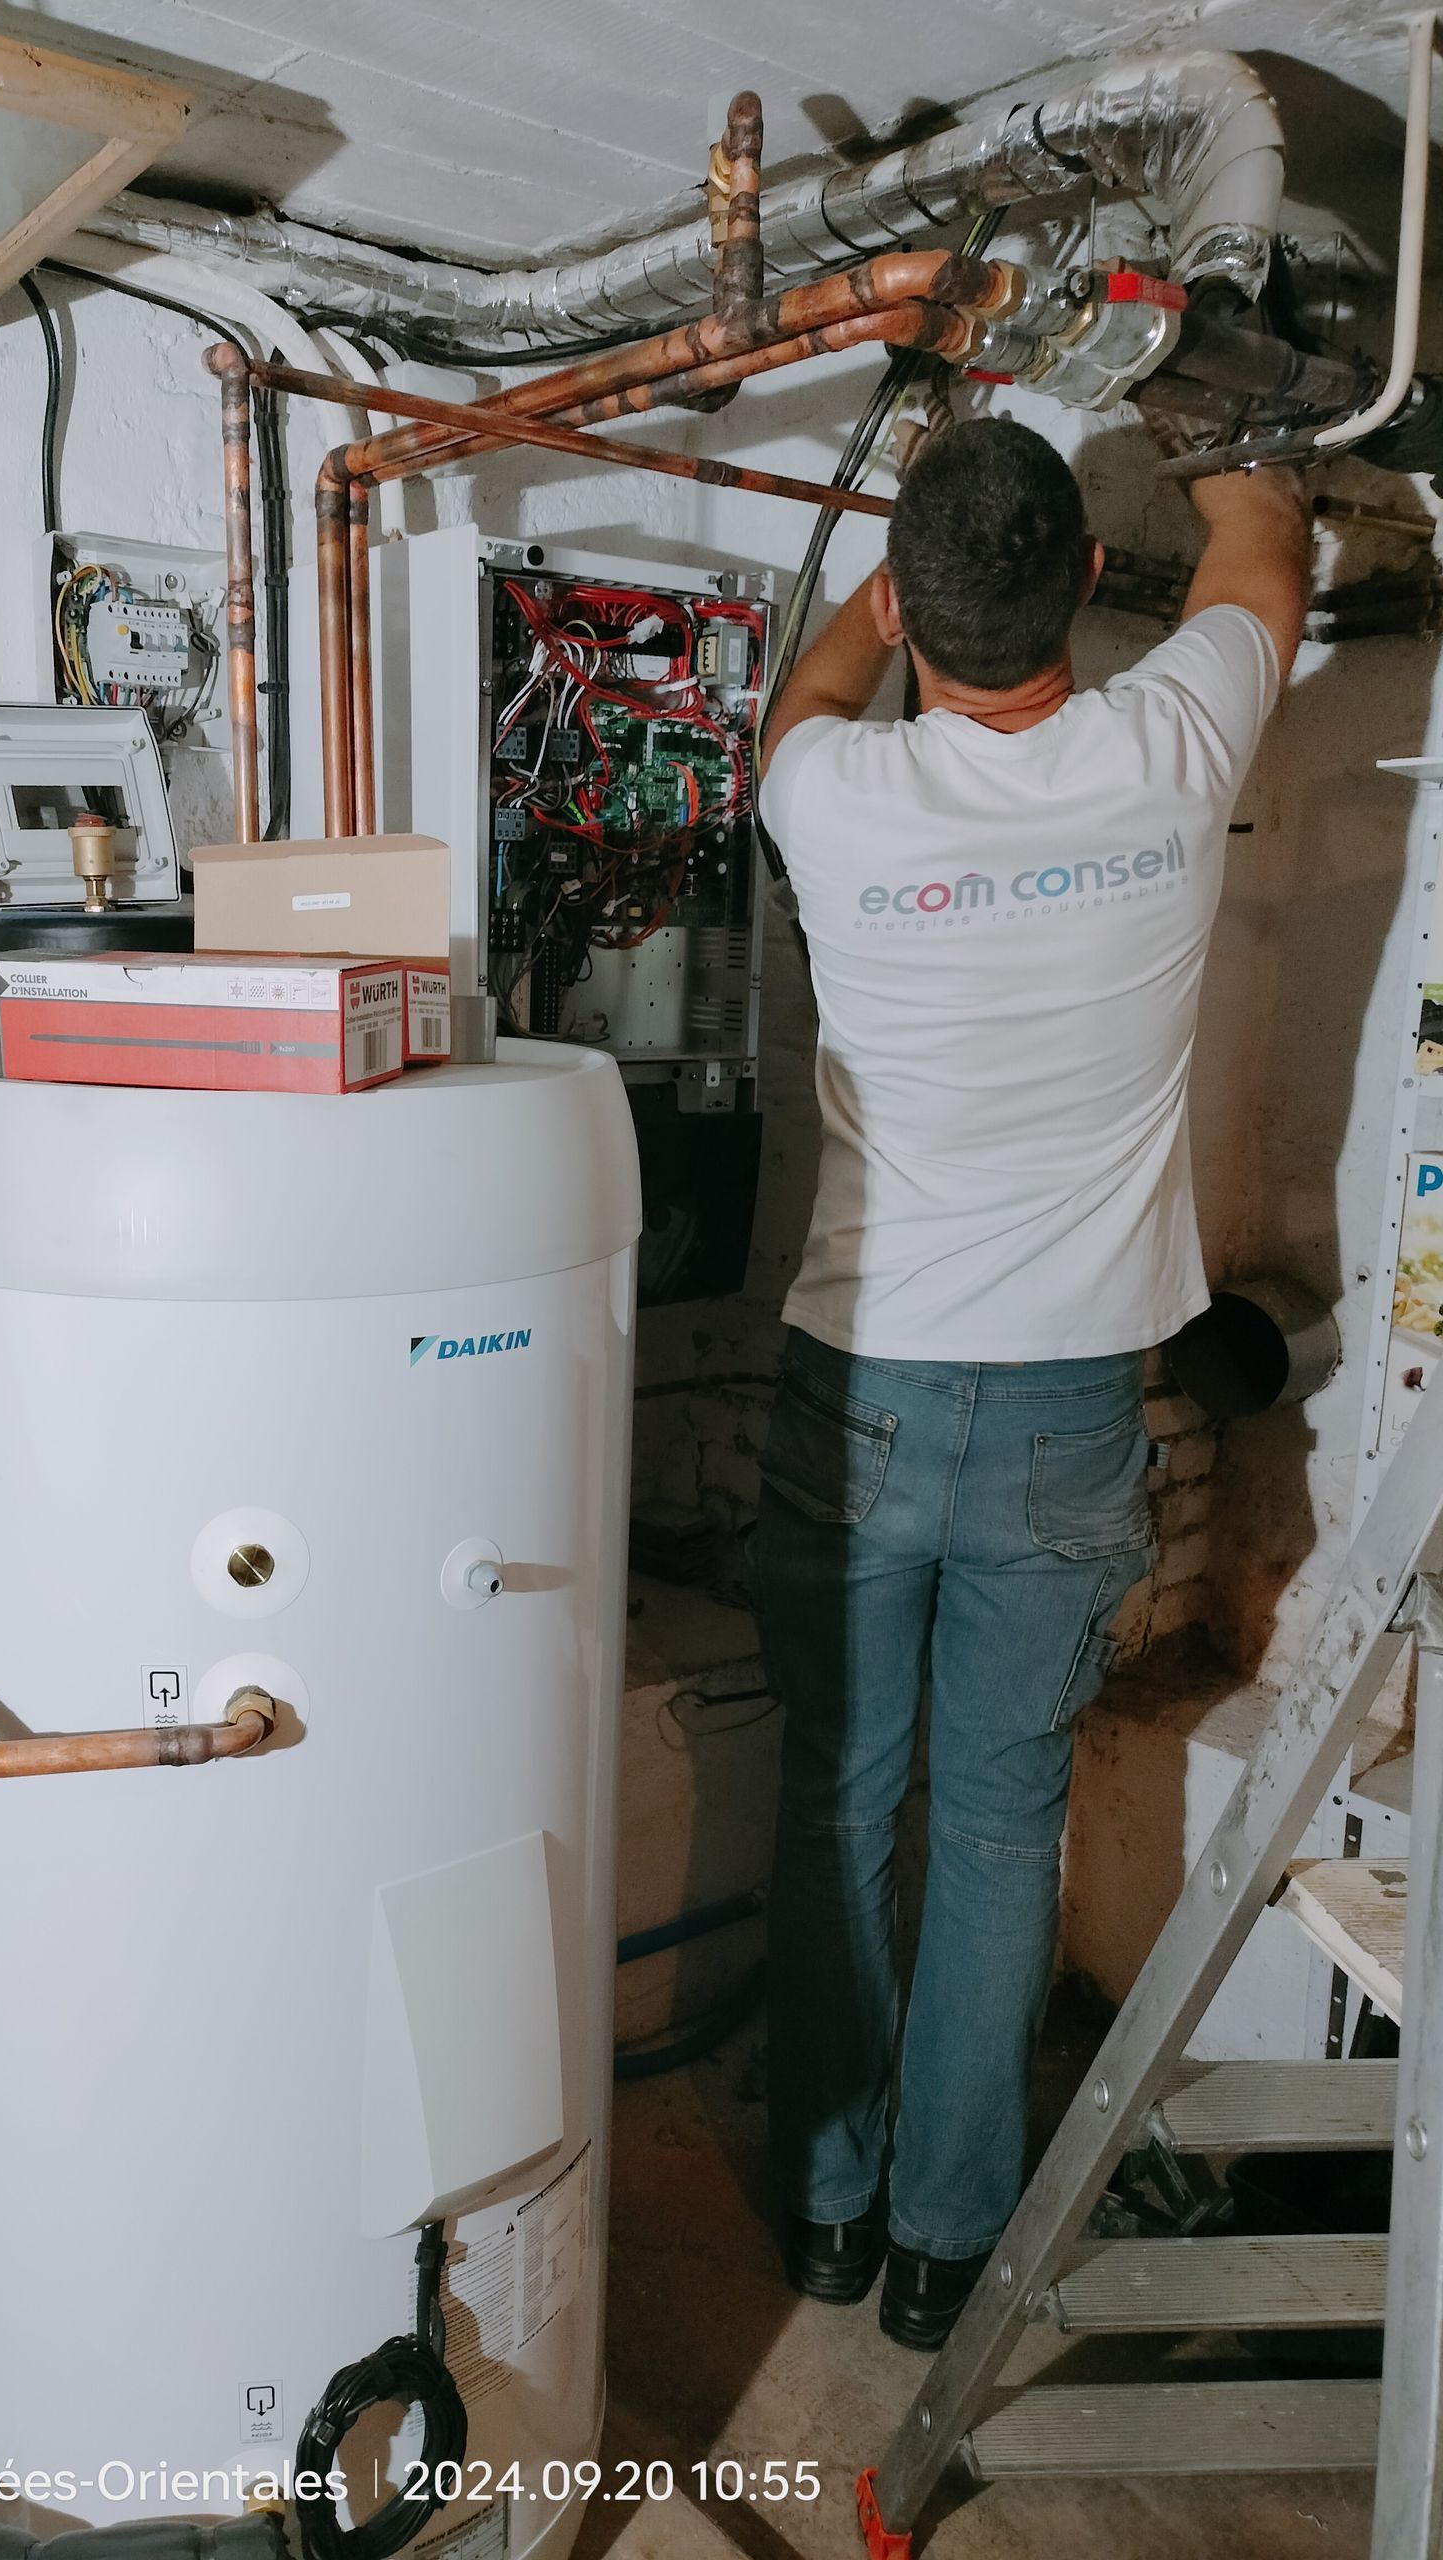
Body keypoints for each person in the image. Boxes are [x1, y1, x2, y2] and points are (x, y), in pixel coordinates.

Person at [753, 414, 1309, 2351]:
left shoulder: (831, 795)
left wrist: (874, 589)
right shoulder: (1171, 752)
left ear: (906, 604)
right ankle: (939, 2242)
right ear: (1086, 581)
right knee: (1001, 1823)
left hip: (865, 1394)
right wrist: (1209, 414)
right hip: (1074, 1412)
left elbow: (809, 693)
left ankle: (823, 2208)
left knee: (838, 1804)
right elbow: (1264, 550)